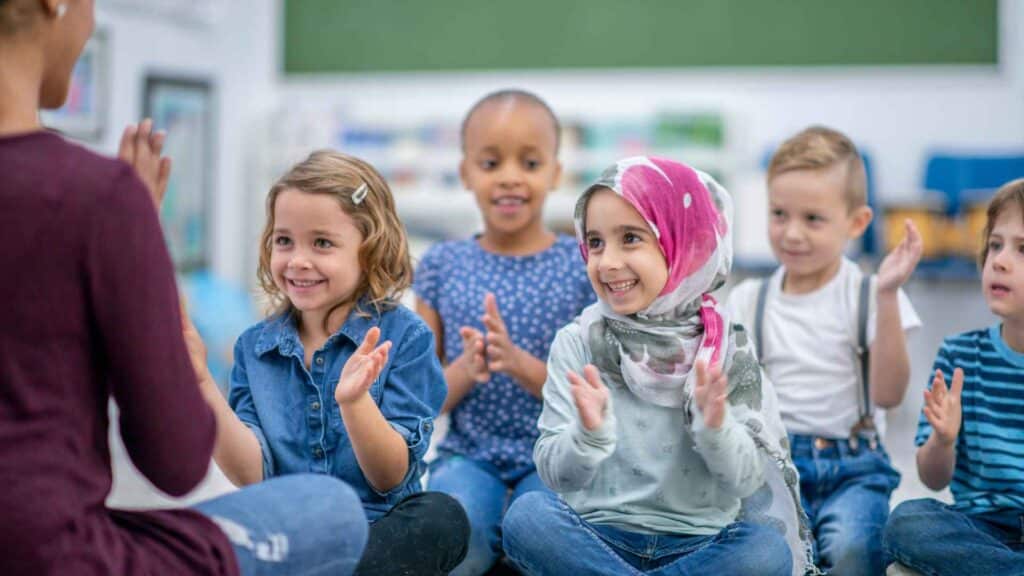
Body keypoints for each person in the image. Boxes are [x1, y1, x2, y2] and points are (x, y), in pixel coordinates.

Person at [0, 1, 366, 574]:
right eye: (285, 241)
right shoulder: (97, 197)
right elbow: (177, 461)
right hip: (50, 553)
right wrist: (137, 246)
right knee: (332, 511)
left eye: (322, 244)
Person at [502, 157, 811, 576]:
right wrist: (588, 436)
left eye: (630, 238)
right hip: (596, 538)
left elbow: (745, 481)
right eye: (594, 242)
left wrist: (715, 427)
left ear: (687, 243)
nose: (607, 261)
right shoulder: (577, 341)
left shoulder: (726, 348)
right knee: (528, 517)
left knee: (766, 551)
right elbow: (557, 475)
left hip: (700, 546)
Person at [185, 150, 469, 576]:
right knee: (201, 524)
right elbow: (253, 477)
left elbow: (390, 478)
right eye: (284, 241)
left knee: (442, 516)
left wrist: (356, 405)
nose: (298, 260)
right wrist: (202, 384)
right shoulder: (253, 347)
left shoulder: (404, 337)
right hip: (289, 530)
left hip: (379, 530)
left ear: (369, 251)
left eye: (322, 243)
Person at [727, 126, 922, 575]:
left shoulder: (873, 294)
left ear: (856, 223)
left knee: (855, 547)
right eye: (779, 214)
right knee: (757, 554)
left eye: (813, 219)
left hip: (854, 468)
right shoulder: (748, 299)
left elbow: (890, 394)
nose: (792, 233)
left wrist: (889, 295)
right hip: (771, 465)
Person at [414, 89, 594, 575]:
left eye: (530, 163)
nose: (511, 177)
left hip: (557, 458)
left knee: (542, 536)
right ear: (466, 172)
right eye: (491, 163)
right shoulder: (440, 265)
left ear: (556, 172)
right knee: (457, 535)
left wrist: (519, 363)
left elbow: (594, 398)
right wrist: (465, 371)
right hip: (468, 458)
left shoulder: (583, 267)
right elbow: (421, 404)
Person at [883, 178, 1024, 576]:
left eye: (1022, 249)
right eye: (995, 245)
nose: (999, 260)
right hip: (979, 528)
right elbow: (932, 478)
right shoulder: (959, 355)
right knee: (905, 522)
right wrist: (942, 440)